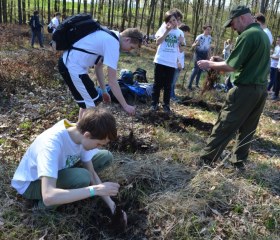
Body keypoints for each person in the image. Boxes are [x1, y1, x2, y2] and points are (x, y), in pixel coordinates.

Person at [11, 108, 127, 224]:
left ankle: (71, 183)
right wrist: (94, 190)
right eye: (98, 144)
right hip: (32, 183)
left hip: (59, 168)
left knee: (105, 157)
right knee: (83, 177)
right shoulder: (51, 145)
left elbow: (91, 172)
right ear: (87, 135)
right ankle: (41, 209)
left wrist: (113, 206)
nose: (98, 147)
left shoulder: (79, 135)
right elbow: (48, 196)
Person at [197, 5, 270, 169]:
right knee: (248, 128)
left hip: (245, 89)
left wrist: (209, 63)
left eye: (233, 24)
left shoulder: (248, 35)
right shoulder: (263, 35)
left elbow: (231, 66)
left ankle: (207, 159)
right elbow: (246, 61)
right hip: (260, 90)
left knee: (226, 123)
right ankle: (238, 163)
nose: (233, 28)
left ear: (242, 18)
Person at [58, 28, 143, 119]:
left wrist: (104, 91)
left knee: (89, 101)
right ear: (127, 39)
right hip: (71, 66)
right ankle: (82, 130)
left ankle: (80, 128)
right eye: (131, 47)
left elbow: (98, 66)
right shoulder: (113, 43)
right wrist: (125, 106)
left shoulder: (110, 34)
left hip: (71, 65)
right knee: (92, 105)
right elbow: (112, 81)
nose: (129, 50)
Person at [150, 10, 185, 113]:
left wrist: (182, 42)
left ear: (177, 20)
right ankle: (154, 104)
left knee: (168, 86)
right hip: (160, 60)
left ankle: (166, 105)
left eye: (174, 20)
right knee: (157, 84)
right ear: (167, 22)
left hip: (171, 62)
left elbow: (181, 50)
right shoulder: (163, 29)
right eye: (170, 21)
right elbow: (157, 42)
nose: (173, 22)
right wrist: (166, 31)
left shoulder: (180, 32)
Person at [188, 25, 212, 90]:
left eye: (210, 29)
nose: (208, 31)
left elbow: (209, 47)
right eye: (207, 29)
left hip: (205, 55)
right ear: (204, 29)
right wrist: (195, 44)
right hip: (198, 54)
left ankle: (196, 84)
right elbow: (193, 46)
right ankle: (189, 85)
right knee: (196, 69)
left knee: (201, 70)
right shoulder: (200, 36)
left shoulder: (210, 37)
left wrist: (209, 56)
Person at [170, 24, 190, 101]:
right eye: (187, 32)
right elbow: (176, 52)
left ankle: (172, 95)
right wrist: (178, 63)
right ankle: (171, 96)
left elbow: (181, 53)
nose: (188, 34)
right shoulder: (179, 38)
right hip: (175, 64)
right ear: (183, 31)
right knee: (172, 82)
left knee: (174, 82)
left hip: (179, 64)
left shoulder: (182, 39)